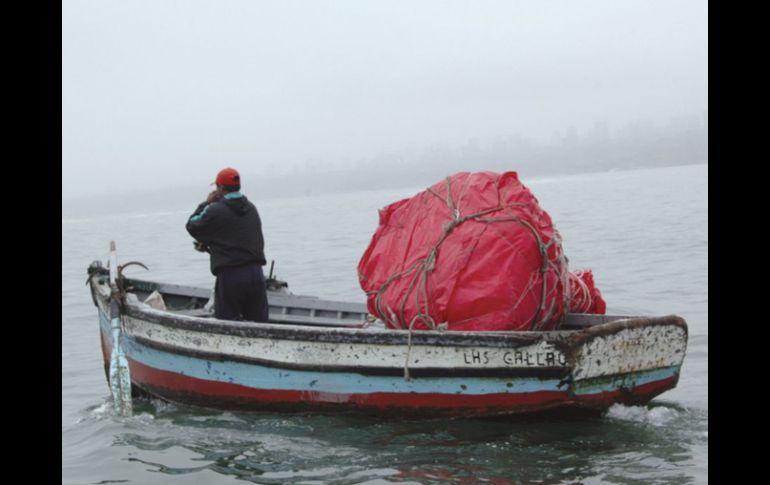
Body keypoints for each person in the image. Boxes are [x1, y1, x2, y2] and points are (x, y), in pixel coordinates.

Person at [186, 167, 269, 322]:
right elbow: (237, 234)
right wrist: (210, 242)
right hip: (256, 275)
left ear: (221, 188)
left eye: (216, 187)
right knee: (260, 325)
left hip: (231, 276)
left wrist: (207, 202)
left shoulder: (215, 209)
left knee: (227, 324)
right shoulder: (251, 208)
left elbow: (192, 225)